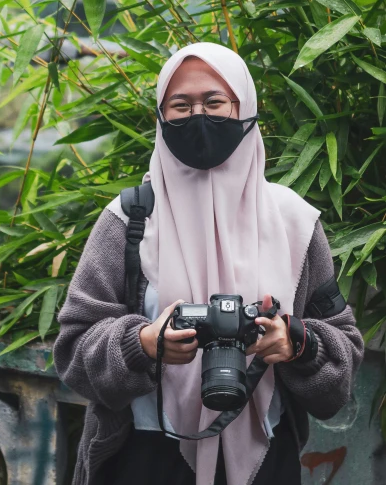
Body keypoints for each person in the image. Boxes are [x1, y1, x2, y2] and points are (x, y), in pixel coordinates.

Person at [53, 43, 363, 485]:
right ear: (161, 117)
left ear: (245, 108)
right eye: (180, 105)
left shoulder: (295, 223)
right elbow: (72, 350)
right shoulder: (129, 220)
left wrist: (298, 343)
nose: (198, 115)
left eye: (215, 102)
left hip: (265, 463)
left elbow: (343, 364)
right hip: (144, 460)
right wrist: (141, 344)